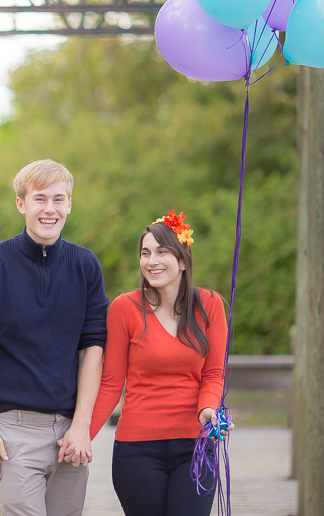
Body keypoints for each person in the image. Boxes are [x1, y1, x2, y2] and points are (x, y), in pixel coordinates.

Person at [0, 159, 110, 516]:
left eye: (59, 199)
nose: (50, 209)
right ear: (21, 204)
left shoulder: (85, 265)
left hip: (69, 433)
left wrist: (82, 426)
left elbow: (93, 346)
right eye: (40, 199)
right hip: (11, 432)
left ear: (69, 204)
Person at [88, 211, 231, 516]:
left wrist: (208, 409)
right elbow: (112, 383)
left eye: (162, 251)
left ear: (182, 260)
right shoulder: (125, 308)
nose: (151, 260)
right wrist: (82, 435)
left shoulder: (210, 305)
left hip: (195, 447)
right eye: (145, 252)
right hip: (137, 449)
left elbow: (214, 373)